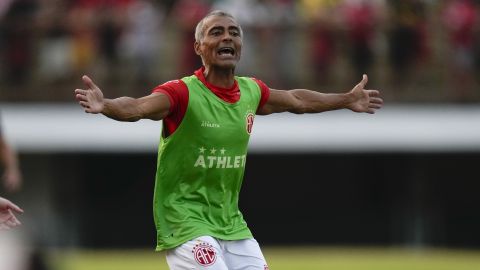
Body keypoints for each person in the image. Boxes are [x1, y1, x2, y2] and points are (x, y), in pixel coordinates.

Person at [74, 10, 383, 270]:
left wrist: (346, 99)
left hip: (230, 222)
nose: (227, 38)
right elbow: (139, 108)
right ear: (198, 46)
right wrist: (107, 106)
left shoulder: (251, 91)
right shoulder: (182, 93)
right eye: (216, 32)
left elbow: (296, 100)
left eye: (234, 33)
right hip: (185, 220)